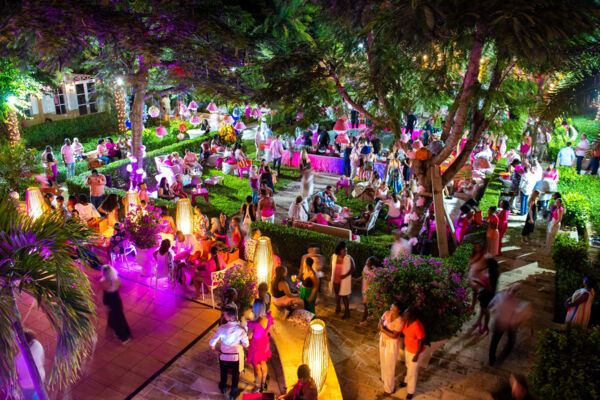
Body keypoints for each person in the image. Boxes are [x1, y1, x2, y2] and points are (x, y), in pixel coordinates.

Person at [209, 307, 249, 400]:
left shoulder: (222, 328)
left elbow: (212, 343)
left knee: (223, 373)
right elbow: (246, 344)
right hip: (236, 358)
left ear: (229, 318)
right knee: (235, 376)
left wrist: (215, 350)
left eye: (225, 315)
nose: (224, 316)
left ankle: (223, 387)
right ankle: (233, 393)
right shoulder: (241, 329)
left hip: (224, 356)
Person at [488, 284, 531, 366]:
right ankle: (501, 358)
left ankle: (491, 360)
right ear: (517, 293)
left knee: (494, 342)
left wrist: (496, 309)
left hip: (498, 323)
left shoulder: (499, 296)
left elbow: (490, 305)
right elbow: (517, 316)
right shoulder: (515, 303)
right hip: (509, 325)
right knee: (511, 342)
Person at [247, 299, 274, 393]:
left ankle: (258, 387)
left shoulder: (253, 324)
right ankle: (263, 384)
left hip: (256, 346)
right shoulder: (268, 317)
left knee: (256, 367)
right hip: (265, 344)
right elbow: (271, 332)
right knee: (263, 363)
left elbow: (249, 336)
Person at [378, 301, 405, 396]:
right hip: (383, 340)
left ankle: (389, 389)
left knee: (390, 365)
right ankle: (384, 378)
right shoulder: (386, 313)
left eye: (394, 310)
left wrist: (383, 329)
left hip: (391, 344)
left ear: (399, 311)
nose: (391, 311)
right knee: (383, 360)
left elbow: (394, 335)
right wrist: (382, 327)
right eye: (391, 308)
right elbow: (380, 322)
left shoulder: (400, 321)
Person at [100, 265, 132, 343]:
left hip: (108, 300)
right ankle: (123, 334)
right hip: (116, 299)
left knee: (114, 317)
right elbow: (121, 287)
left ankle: (122, 335)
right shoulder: (117, 280)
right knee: (119, 316)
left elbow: (101, 292)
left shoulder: (102, 282)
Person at [401, 306, 425, 399]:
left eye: (406, 313)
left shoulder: (417, 326)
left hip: (415, 353)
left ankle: (411, 391)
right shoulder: (407, 322)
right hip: (408, 349)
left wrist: (416, 355)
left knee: (412, 372)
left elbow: (421, 341)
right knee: (408, 367)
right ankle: (406, 381)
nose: (404, 314)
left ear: (411, 316)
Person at [15, 329, 46, 400]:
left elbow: (17, 374)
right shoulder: (38, 345)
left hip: (27, 385)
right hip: (39, 378)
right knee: (38, 395)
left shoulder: (19, 358)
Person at [474, 258, 499, 335]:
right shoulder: (495, 273)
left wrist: (478, 282)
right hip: (490, 294)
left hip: (487, 294)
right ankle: (479, 322)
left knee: (485, 311)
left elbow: (489, 288)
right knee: (483, 309)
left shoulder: (489, 276)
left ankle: (485, 327)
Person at [331, 241, 355, 319]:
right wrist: (330, 275)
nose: (345, 251)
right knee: (337, 294)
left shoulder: (348, 258)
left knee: (344, 296)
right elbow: (331, 266)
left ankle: (347, 312)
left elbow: (353, 268)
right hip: (336, 279)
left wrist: (345, 275)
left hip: (344, 280)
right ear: (339, 250)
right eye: (344, 250)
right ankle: (338, 307)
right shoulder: (334, 257)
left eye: (346, 250)